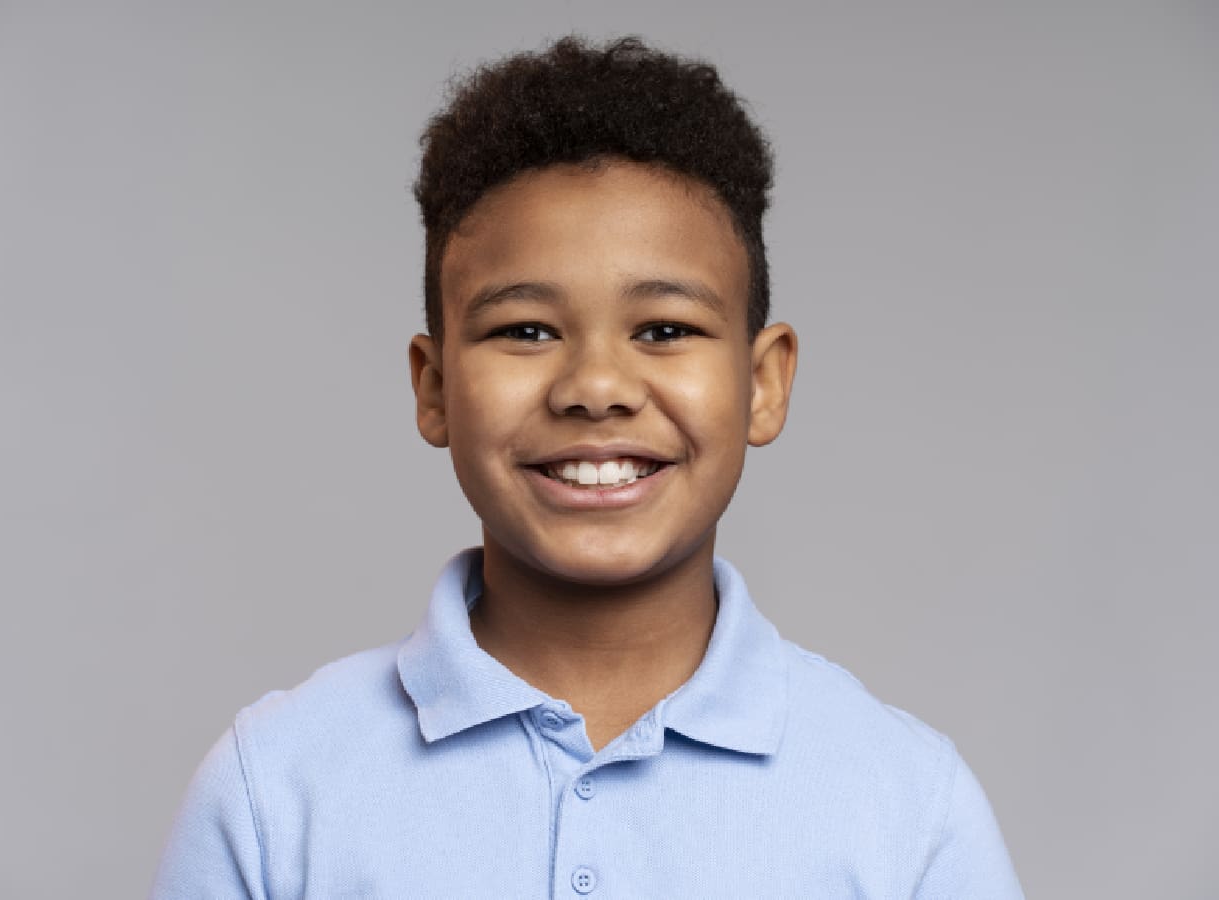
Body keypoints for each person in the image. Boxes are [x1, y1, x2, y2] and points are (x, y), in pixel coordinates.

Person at [151, 36, 1023, 898]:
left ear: (762, 383)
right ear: (435, 387)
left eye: (665, 330)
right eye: (524, 330)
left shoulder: (907, 806)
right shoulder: (273, 790)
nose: (596, 387)